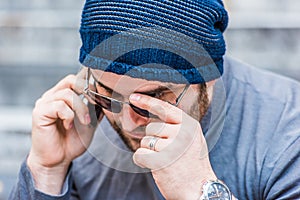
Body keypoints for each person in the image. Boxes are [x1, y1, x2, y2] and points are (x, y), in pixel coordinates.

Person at [10, 0, 300, 199]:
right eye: (108, 94)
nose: (126, 122)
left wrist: (200, 191)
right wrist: (47, 171)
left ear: (209, 77)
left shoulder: (288, 131)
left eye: (154, 97)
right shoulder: (82, 124)